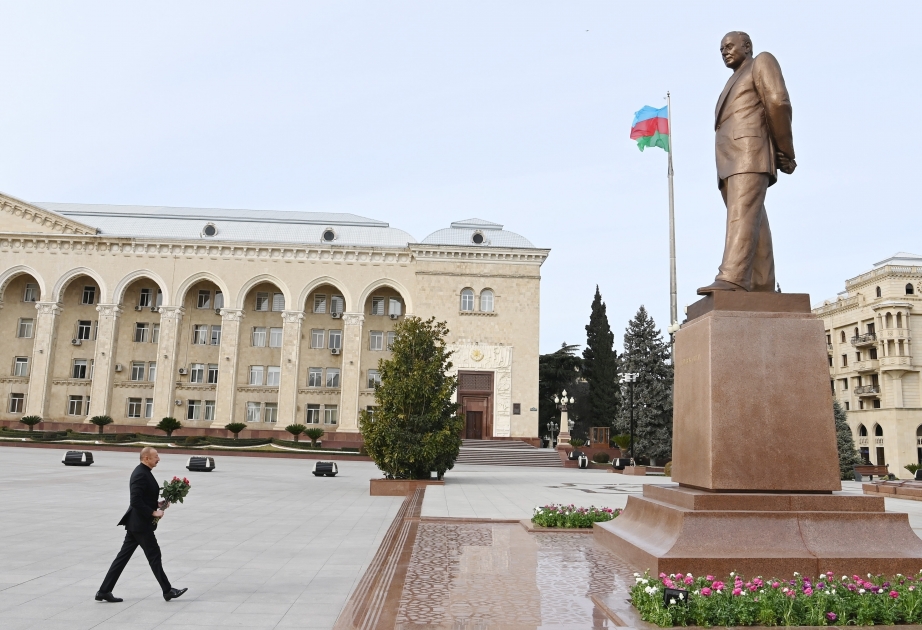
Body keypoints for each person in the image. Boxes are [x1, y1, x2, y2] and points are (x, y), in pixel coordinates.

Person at [697, 31, 796, 295]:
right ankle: (761, 284)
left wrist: (785, 150)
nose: (725, 52)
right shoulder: (733, 79)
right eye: (721, 49)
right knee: (754, 220)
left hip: (749, 154)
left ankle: (732, 278)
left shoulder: (762, 61)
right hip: (730, 160)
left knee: (741, 216)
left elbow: (778, 102)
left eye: (729, 46)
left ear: (748, 46)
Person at [96, 447, 187, 603]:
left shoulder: (145, 472)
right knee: (154, 555)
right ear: (146, 458)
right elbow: (135, 501)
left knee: (122, 558)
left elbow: (144, 497)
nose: (158, 459)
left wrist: (157, 504)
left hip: (136, 524)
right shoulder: (140, 474)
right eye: (156, 456)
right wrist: (153, 512)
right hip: (140, 525)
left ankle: (104, 591)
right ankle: (167, 590)